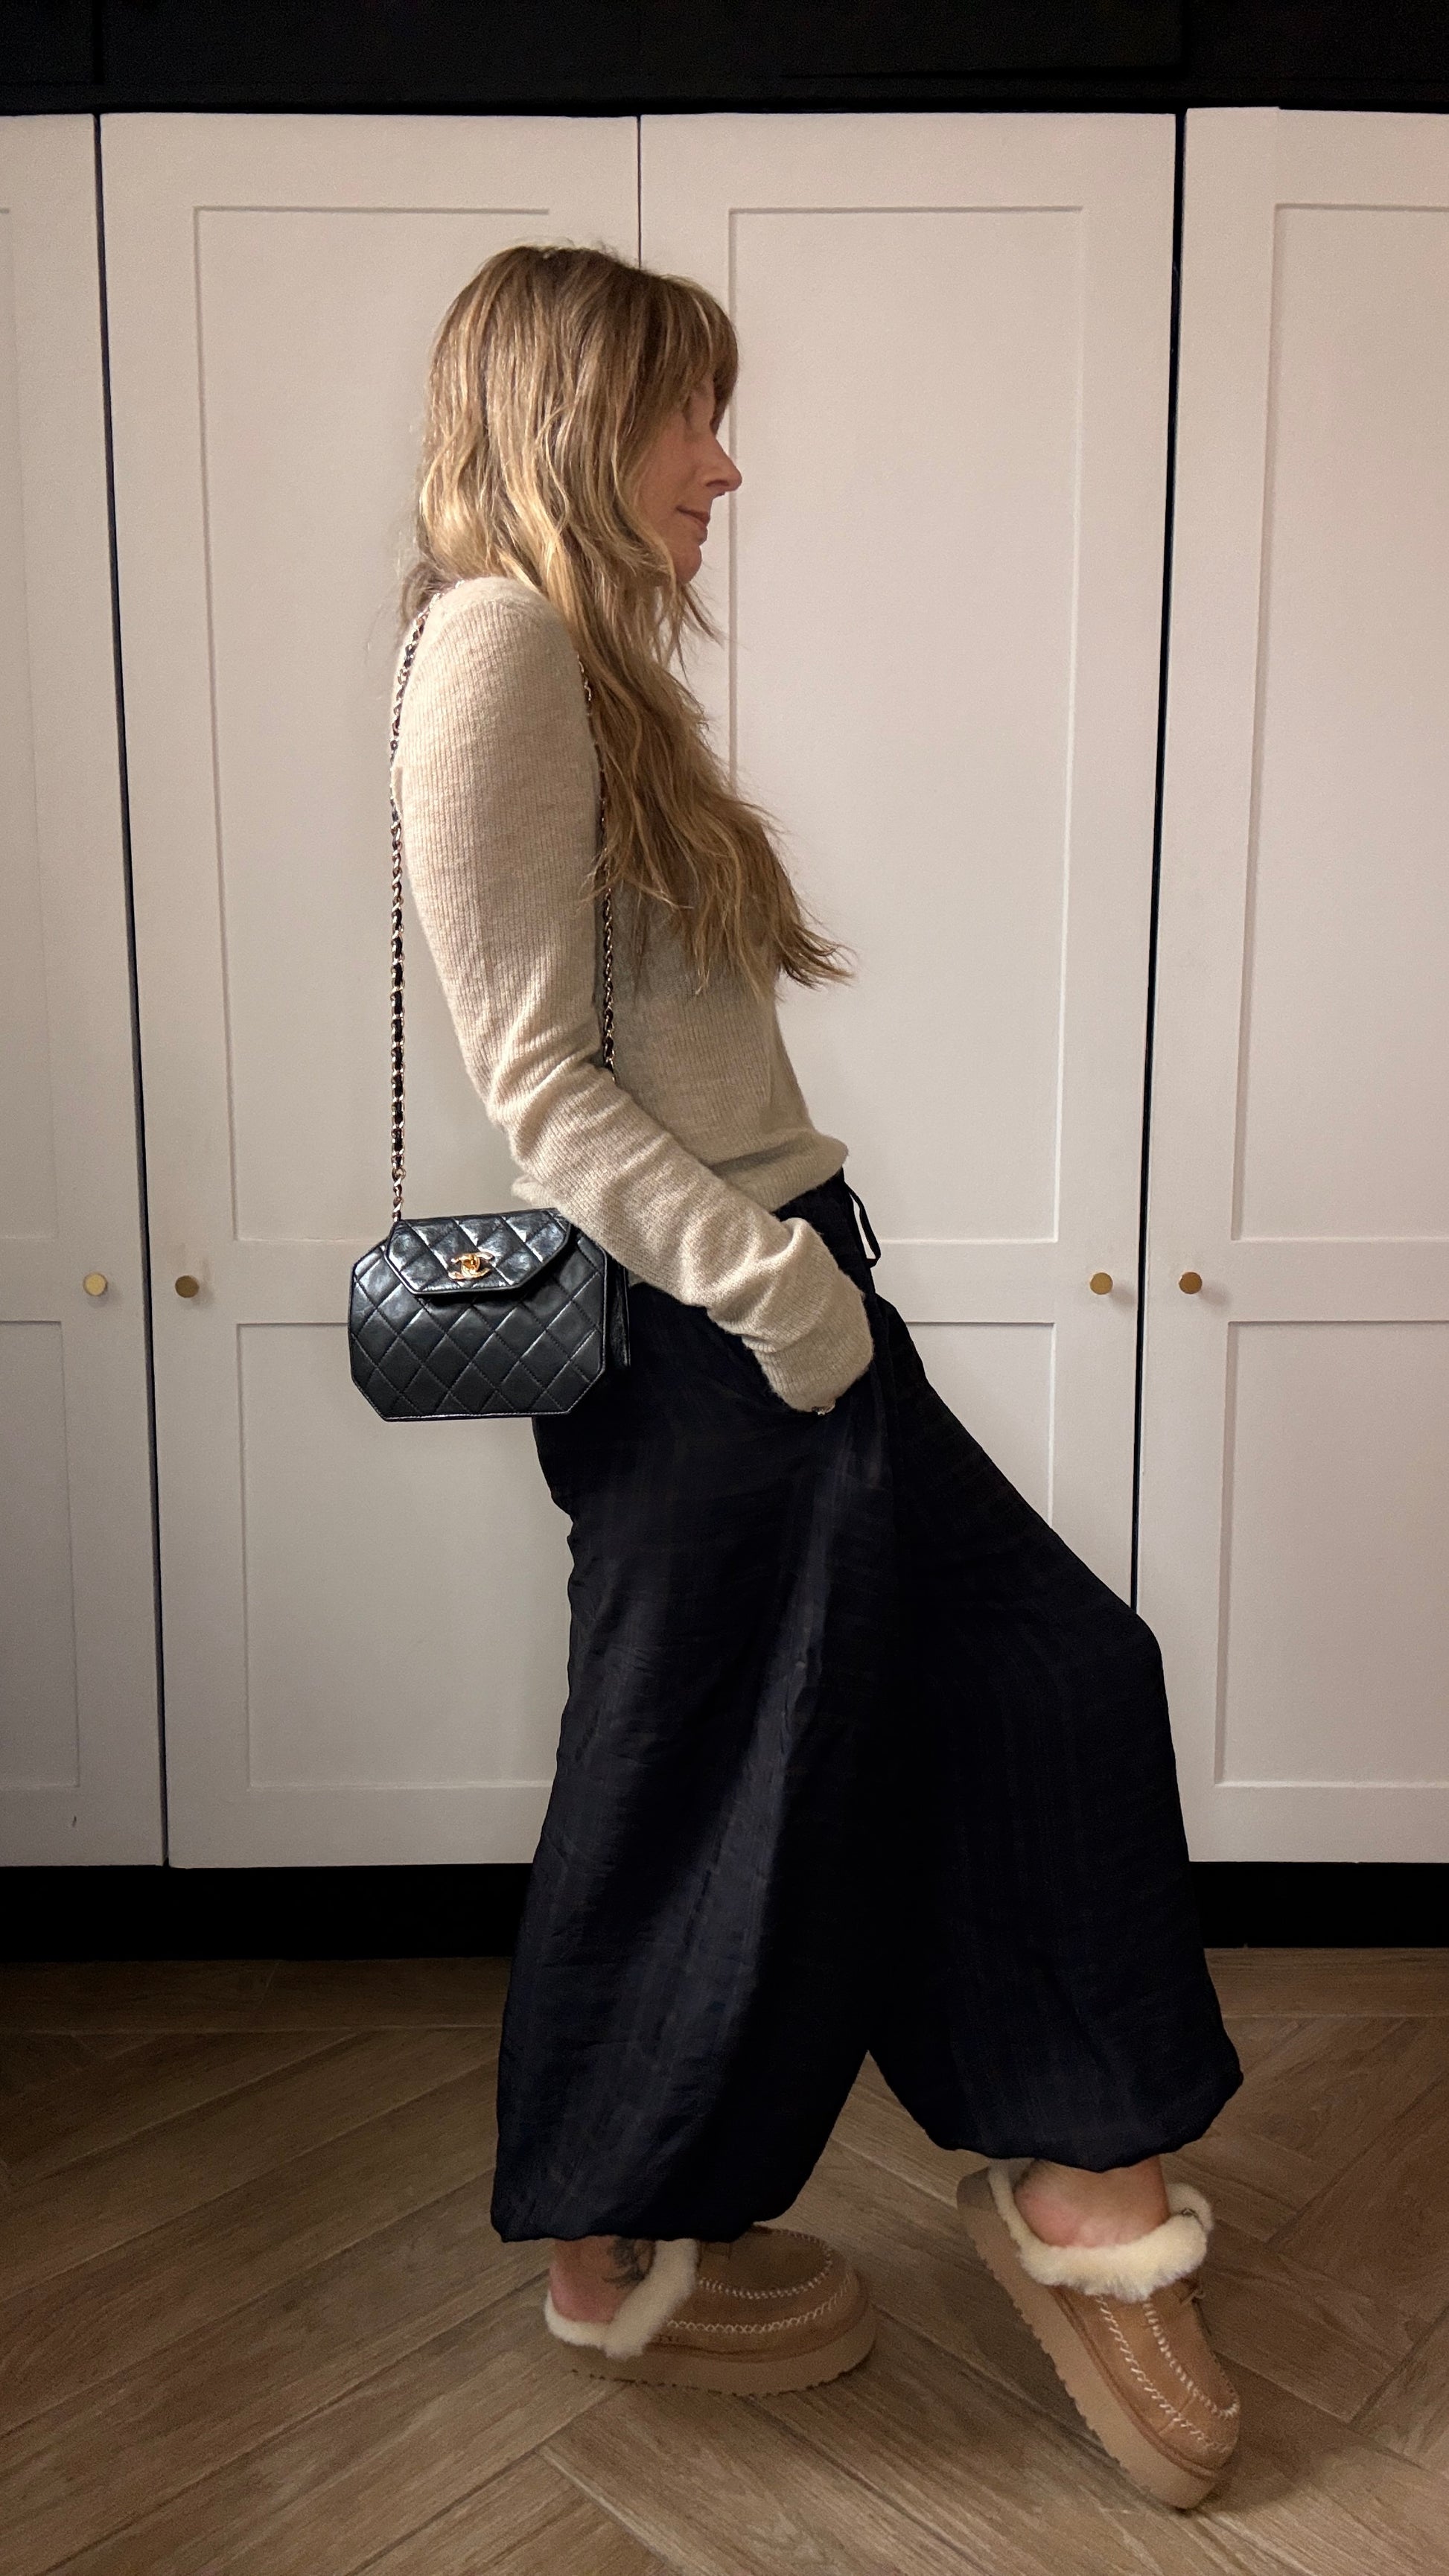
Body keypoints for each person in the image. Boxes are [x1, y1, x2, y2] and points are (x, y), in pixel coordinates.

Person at [391, 242, 1244, 2510]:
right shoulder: (496, 648)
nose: (725, 464)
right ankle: (614, 2251)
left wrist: (801, 1289)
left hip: (779, 1296)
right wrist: (775, 1299)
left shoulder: (590, 662)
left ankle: (1078, 2174)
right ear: (577, 413)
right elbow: (533, 1082)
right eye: (692, 414)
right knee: (693, 1784)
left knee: (1041, 1674)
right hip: (711, 1328)